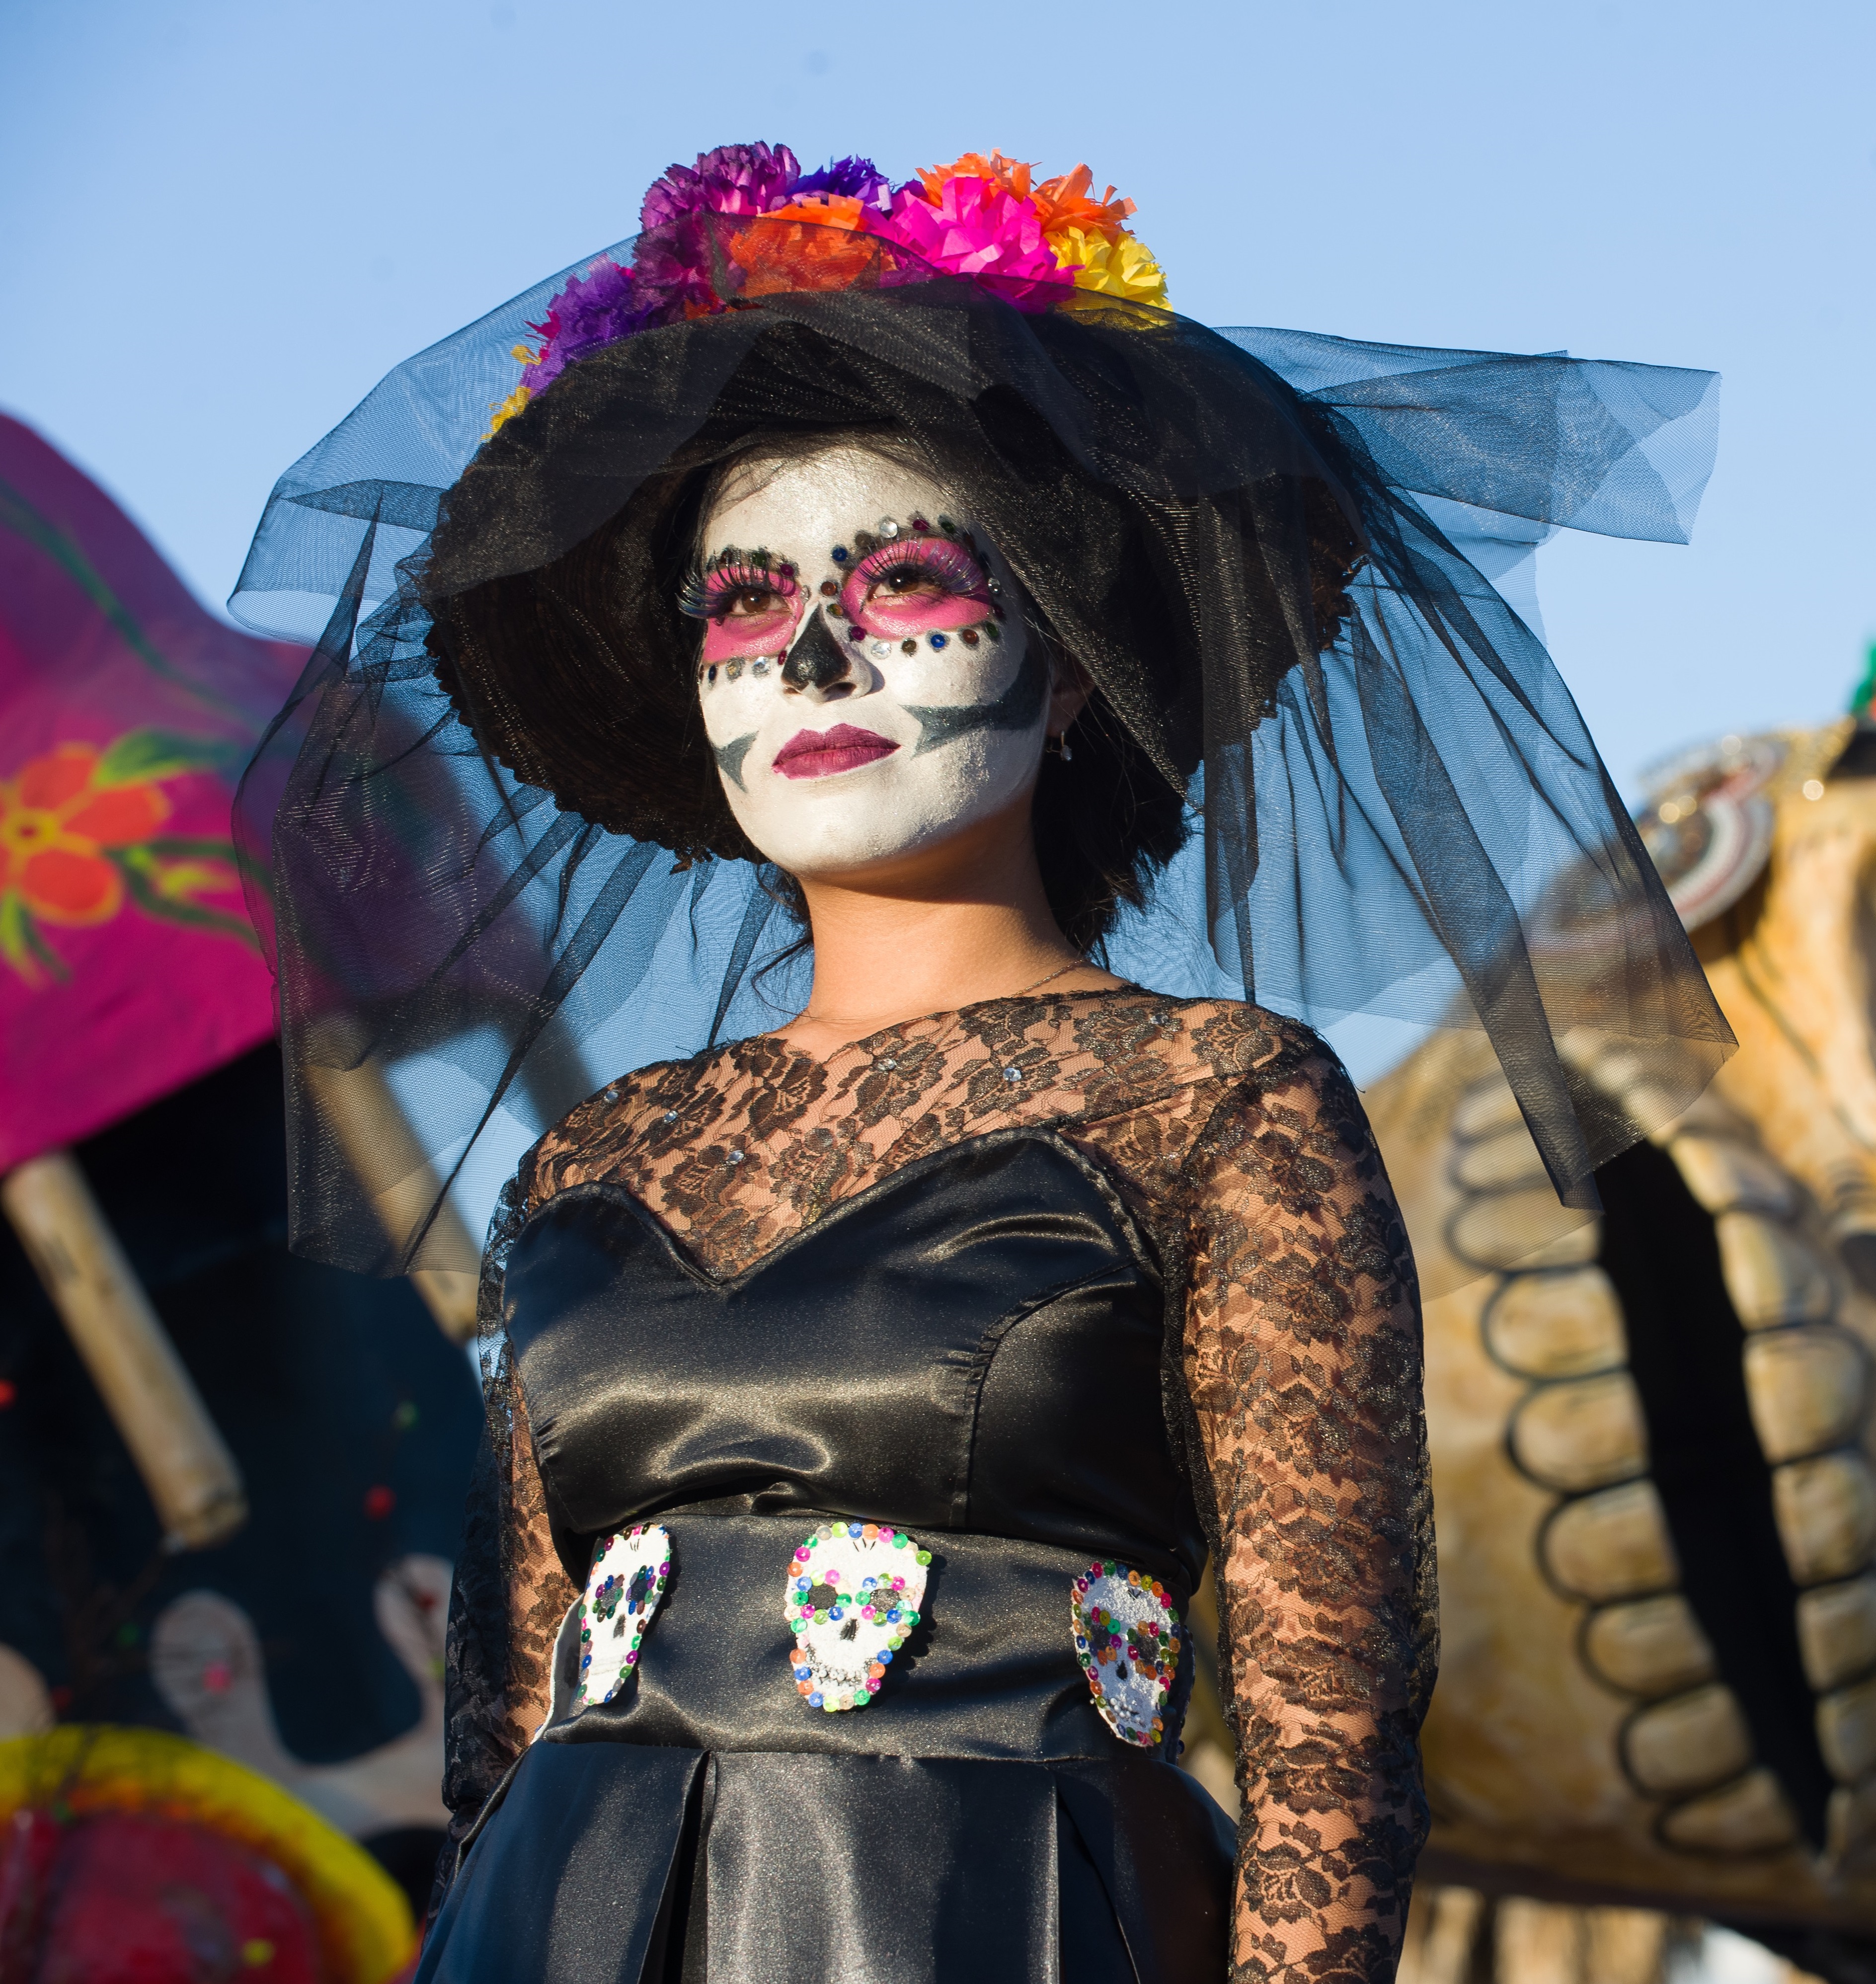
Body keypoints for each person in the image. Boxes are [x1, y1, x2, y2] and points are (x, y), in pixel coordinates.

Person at [233, 144, 1730, 1984]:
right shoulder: (597, 1158)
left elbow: (1328, 1732)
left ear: (1073, 656)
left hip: (1005, 1923)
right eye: (745, 603)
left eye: (909, 575)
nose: (818, 655)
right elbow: (502, 1726)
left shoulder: (1212, 1101)